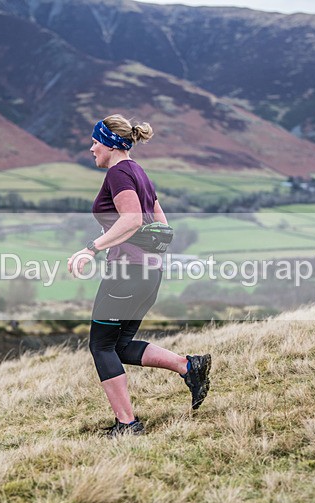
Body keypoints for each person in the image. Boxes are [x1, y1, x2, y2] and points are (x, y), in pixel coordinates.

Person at [67, 114, 211, 437]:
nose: (91, 148)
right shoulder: (139, 173)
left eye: (95, 141)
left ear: (109, 143)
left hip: (126, 274)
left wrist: (92, 248)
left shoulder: (118, 174)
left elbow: (132, 220)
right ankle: (189, 366)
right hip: (149, 274)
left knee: (101, 346)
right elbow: (163, 227)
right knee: (119, 345)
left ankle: (127, 424)